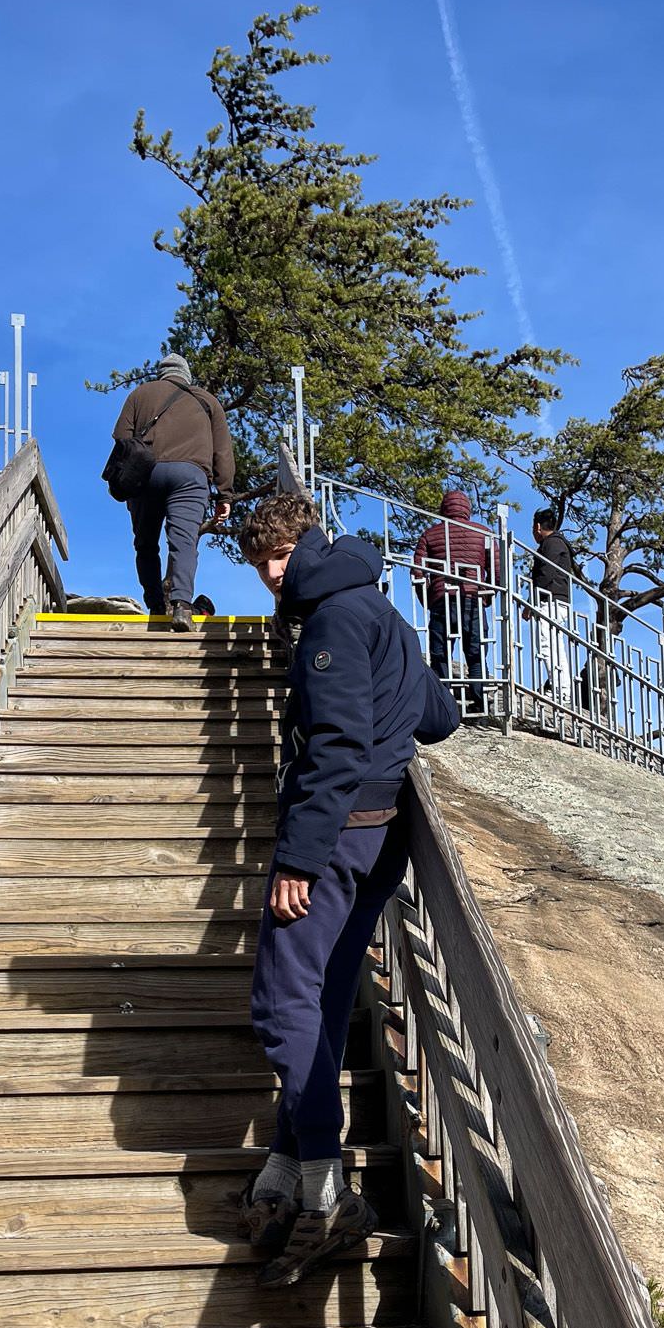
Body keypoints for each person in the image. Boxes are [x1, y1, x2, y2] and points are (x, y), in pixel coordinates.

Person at [233, 491, 459, 1287]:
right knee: (325, 998)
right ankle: (288, 1166)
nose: (268, 572)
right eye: (257, 560)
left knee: (281, 1003)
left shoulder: (329, 621)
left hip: (334, 837)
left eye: (279, 555)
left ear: (309, 544)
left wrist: (298, 858)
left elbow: (333, 744)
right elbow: (439, 715)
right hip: (381, 833)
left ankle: (330, 1190)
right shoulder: (380, 610)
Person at [109, 354, 235, 631]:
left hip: (146, 474)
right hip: (190, 477)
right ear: (186, 375)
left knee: (146, 544)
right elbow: (223, 452)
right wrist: (225, 494)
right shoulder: (207, 401)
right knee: (184, 542)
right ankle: (181, 606)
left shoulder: (140, 393)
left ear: (162, 373)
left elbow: (120, 436)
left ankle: (154, 606)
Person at [410, 489, 498, 717]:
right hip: (473, 599)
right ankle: (480, 707)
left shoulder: (430, 534)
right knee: (476, 654)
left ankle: (442, 708)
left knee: (440, 656)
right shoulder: (483, 533)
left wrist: (428, 600)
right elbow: (497, 570)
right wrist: (488, 593)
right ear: (467, 509)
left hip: (442, 599)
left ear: (444, 508)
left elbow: (418, 573)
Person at [529, 507, 576, 716]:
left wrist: (532, 601)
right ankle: (561, 690)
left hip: (551, 601)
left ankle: (561, 692)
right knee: (556, 647)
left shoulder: (551, 544)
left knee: (549, 645)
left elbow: (545, 573)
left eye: (533, 527)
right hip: (558, 600)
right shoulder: (559, 543)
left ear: (538, 526)